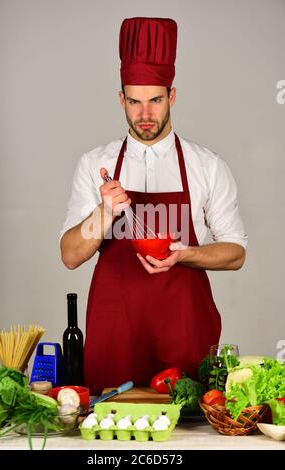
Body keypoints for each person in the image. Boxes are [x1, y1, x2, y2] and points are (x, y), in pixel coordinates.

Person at [60, 17, 247, 394]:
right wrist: (104, 212)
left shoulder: (206, 165)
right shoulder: (95, 163)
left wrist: (184, 255)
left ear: (172, 96)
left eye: (155, 100)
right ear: (121, 99)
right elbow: (70, 255)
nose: (145, 115)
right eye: (134, 101)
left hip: (184, 341)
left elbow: (236, 252)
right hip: (115, 343)